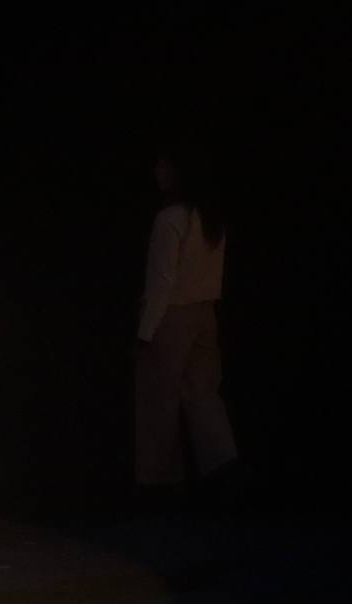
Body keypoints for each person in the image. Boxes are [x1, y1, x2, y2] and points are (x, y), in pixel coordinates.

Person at [134, 144, 239, 504]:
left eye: (164, 165)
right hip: (205, 314)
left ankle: (160, 481)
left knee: (159, 399)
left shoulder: (171, 219)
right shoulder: (208, 217)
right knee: (203, 394)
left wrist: (145, 333)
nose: (158, 171)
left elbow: (161, 283)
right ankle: (222, 468)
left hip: (173, 316)